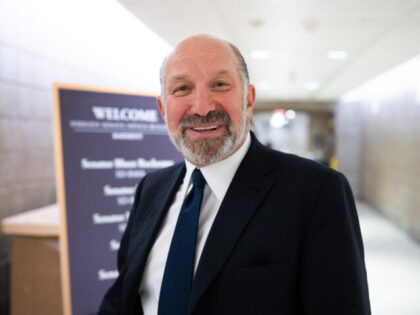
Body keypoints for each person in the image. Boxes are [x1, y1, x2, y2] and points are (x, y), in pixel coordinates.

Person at [98, 34, 371, 315]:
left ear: (249, 99)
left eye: (219, 85)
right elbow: (122, 299)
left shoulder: (316, 192)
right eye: (181, 89)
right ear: (162, 108)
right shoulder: (151, 189)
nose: (202, 107)